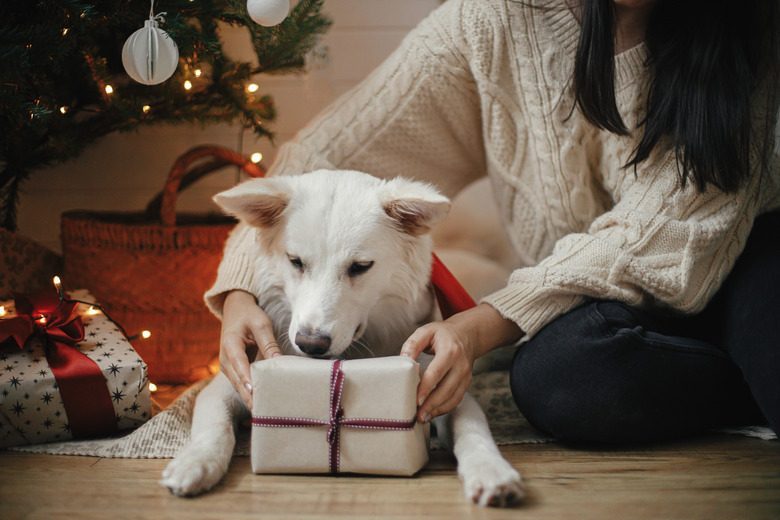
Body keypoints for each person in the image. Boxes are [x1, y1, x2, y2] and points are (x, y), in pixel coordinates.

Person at [206, 0, 779, 442]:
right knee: (554, 381)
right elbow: (316, 164)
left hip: (748, 259)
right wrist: (238, 290)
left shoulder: (753, 24)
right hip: (596, 300)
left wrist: (478, 327)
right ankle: (736, 390)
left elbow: (663, 232)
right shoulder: (490, 21)